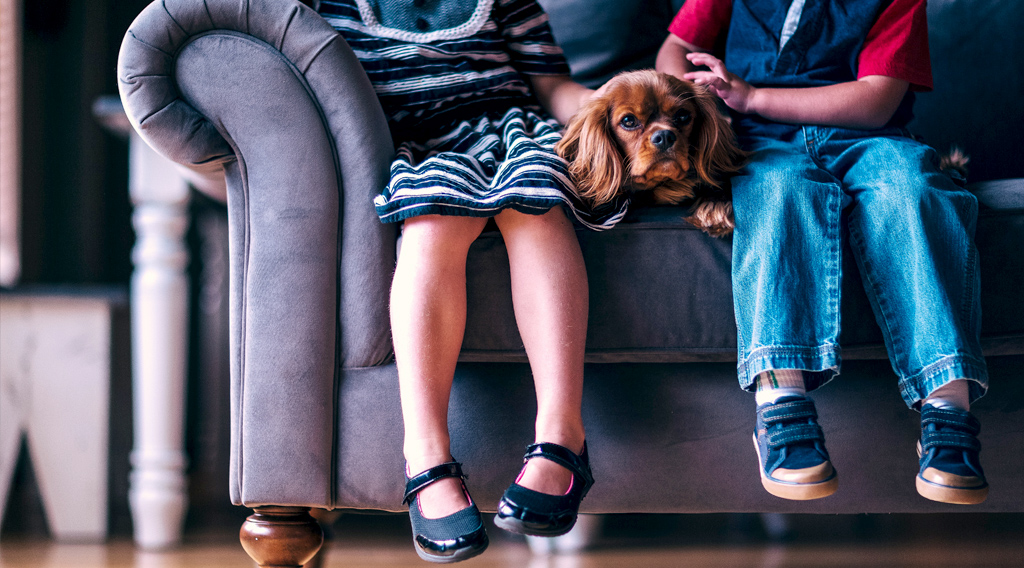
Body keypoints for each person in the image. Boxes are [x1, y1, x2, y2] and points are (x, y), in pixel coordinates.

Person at [316, 0, 618, 562]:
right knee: (432, 223)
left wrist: (612, 105)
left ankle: (561, 435)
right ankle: (425, 455)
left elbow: (552, 86)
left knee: (535, 204)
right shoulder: (331, 7)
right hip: (420, 143)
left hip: (513, 128)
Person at [656, 0, 989, 504]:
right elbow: (677, 47)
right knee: (777, 193)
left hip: (868, 138)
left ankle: (946, 407)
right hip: (763, 144)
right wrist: (691, 102)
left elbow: (876, 101)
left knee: (913, 192)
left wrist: (750, 96)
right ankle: (781, 399)